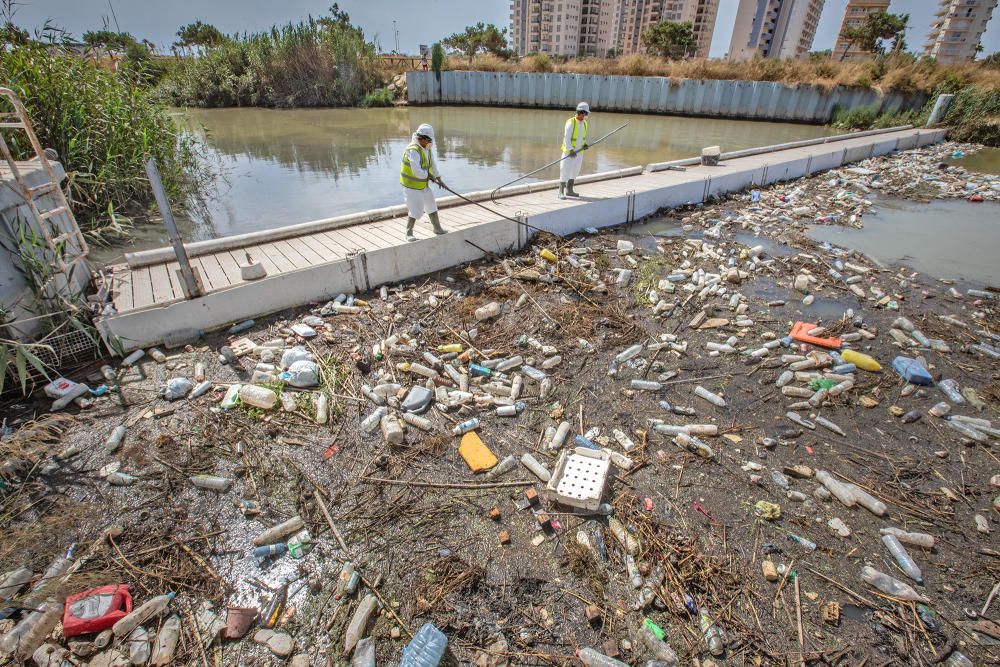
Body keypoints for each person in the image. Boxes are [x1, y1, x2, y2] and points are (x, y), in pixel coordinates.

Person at [400, 123, 446, 241]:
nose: (430, 143)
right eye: (429, 140)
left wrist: (439, 178)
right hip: (411, 186)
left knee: (431, 204)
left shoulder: (426, 148)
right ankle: (408, 233)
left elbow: (433, 165)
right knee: (416, 209)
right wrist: (429, 176)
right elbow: (417, 171)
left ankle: (437, 228)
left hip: (423, 184)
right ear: (422, 138)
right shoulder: (413, 150)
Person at [559, 102, 590, 199]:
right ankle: (561, 192)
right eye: (585, 113)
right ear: (582, 112)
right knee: (565, 171)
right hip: (569, 153)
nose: (586, 116)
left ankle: (570, 190)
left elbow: (582, 137)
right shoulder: (571, 122)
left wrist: (584, 145)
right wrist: (570, 150)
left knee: (575, 171)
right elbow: (566, 138)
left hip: (579, 152)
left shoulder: (584, 123)